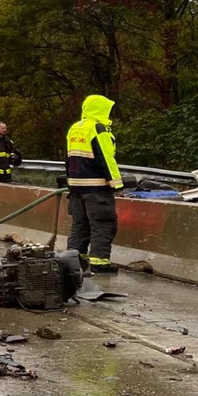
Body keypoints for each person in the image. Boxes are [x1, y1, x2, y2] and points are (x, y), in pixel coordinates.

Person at [66, 94, 123, 273]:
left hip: (76, 187)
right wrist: (117, 184)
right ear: (100, 110)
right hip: (97, 189)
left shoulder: (75, 128)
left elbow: (68, 158)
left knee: (80, 225)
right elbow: (106, 159)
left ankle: (73, 261)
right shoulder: (98, 130)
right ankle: (99, 263)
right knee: (103, 225)